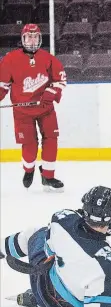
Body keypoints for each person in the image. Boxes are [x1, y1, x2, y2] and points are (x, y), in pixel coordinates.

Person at [0, 23, 65, 191]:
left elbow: (60, 80)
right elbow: (3, 85)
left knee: (51, 139)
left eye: (35, 37)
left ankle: (48, 176)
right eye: (29, 36)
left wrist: (50, 94)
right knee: (29, 145)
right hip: (22, 112)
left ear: (40, 39)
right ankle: (29, 170)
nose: (32, 40)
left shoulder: (49, 58)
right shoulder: (10, 59)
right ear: (22, 38)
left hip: (46, 109)